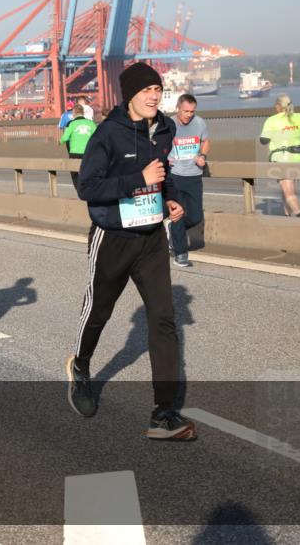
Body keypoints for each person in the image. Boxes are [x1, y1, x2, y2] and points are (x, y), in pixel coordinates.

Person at [67, 61, 194, 441]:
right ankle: (81, 367)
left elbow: (164, 175)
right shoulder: (108, 134)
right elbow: (88, 187)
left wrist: (170, 199)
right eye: (147, 90)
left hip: (152, 237)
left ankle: (164, 413)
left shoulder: (165, 129)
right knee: (100, 310)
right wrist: (138, 180)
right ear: (131, 96)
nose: (154, 95)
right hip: (114, 237)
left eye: (158, 88)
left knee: (164, 319)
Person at [168, 94, 209, 267]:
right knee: (178, 214)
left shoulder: (199, 122)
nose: (189, 115)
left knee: (195, 217)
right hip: (175, 175)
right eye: (186, 111)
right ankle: (181, 253)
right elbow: (156, 143)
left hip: (194, 175)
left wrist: (202, 155)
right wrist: (164, 157)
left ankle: (173, 232)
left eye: (192, 111)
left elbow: (205, 141)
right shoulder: (168, 124)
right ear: (178, 108)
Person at [260, 94, 300, 218]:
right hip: (299, 158)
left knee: (288, 192)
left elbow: (264, 140)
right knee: (288, 189)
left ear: (279, 106)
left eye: (276, 105)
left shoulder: (272, 120)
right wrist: (295, 137)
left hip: (282, 159)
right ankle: (287, 218)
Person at [59, 104, 96, 188]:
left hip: (75, 153)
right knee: (87, 170)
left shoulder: (71, 124)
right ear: (83, 113)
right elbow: (97, 137)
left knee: (74, 172)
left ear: (74, 113)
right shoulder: (91, 124)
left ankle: (78, 187)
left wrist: (59, 142)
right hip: (88, 153)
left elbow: (65, 137)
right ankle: (88, 186)